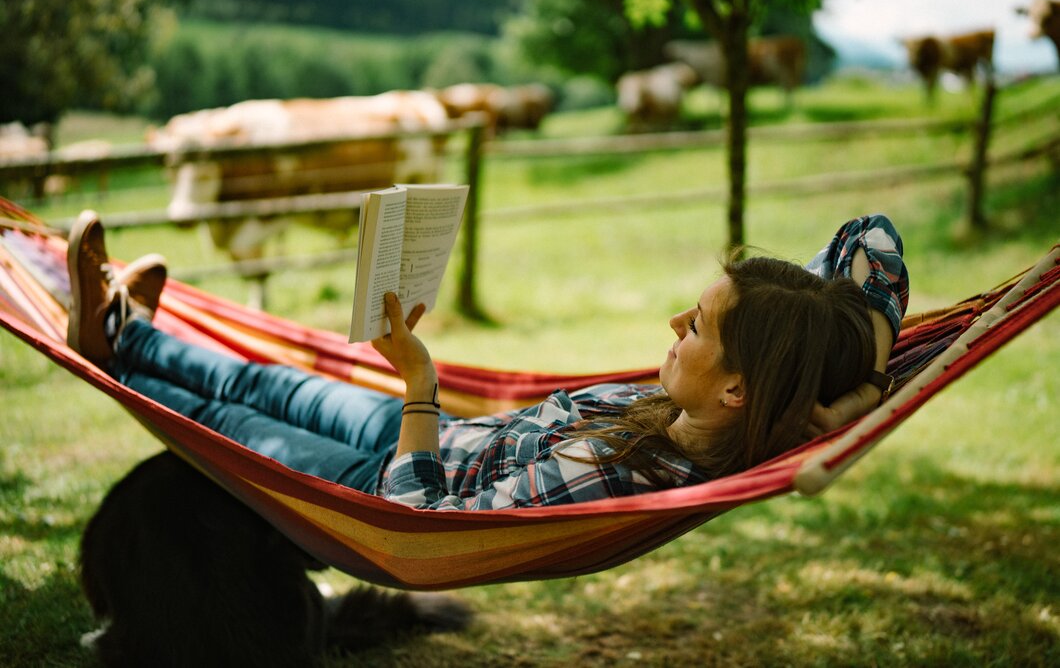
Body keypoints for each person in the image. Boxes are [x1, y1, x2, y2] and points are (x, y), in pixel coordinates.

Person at [65, 211, 908, 511]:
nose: (675, 321)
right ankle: (128, 330)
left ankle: (106, 346)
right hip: (447, 436)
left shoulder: (617, 472)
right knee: (263, 381)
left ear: (736, 386)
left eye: (700, 325)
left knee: (230, 422)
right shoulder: (722, 408)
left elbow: (424, 528)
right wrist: (856, 391)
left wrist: (422, 388)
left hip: (389, 483)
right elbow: (870, 238)